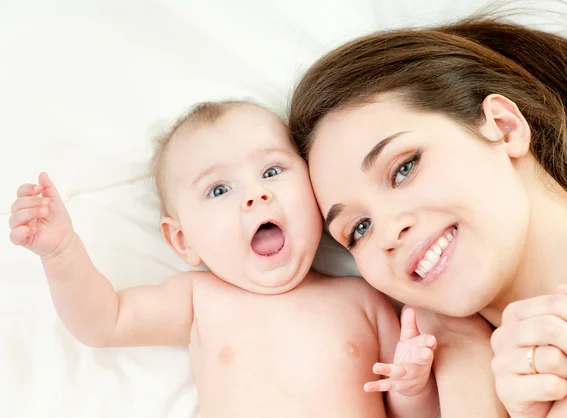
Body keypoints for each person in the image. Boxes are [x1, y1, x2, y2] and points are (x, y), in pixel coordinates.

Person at [7, 101, 504, 417]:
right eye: (219, 189)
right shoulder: (199, 299)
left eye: (272, 170)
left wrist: (414, 385)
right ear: (183, 242)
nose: (255, 197)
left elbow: (407, 410)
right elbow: (104, 322)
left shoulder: (363, 295)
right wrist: (62, 251)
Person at [289, 15, 567, 418]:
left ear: (504, 129)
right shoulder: (479, 373)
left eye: (404, 168)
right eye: (358, 229)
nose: (387, 233)